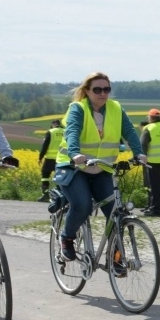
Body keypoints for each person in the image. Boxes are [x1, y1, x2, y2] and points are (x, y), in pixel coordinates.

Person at [55, 72, 147, 262]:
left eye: (106, 89)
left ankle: (115, 258)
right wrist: (74, 153)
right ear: (87, 91)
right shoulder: (78, 109)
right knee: (82, 205)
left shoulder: (115, 108)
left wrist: (138, 152)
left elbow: (129, 130)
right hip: (74, 168)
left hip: (102, 169)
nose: (102, 93)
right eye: (97, 89)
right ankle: (67, 238)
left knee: (116, 214)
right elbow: (72, 131)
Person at [37, 119, 65, 201]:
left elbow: (45, 145)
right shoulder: (66, 131)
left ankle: (45, 195)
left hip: (50, 159)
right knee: (60, 177)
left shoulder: (51, 132)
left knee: (45, 175)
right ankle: (61, 196)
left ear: (53, 124)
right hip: (62, 159)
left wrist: (40, 157)